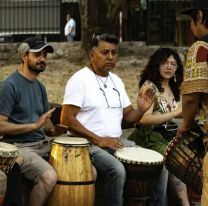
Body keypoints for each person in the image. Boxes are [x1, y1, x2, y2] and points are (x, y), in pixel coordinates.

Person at [60, 33, 155, 206]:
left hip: (114, 142)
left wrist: (141, 110)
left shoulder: (116, 81)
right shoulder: (79, 80)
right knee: (116, 169)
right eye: (105, 52)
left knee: (156, 164)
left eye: (114, 52)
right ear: (92, 54)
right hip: (86, 144)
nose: (110, 57)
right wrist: (98, 140)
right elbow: (66, 118)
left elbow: (128, 116)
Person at [0, 37, 67, 206]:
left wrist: (55, 130)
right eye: (37, 54)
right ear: (24, 56)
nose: (43, 59)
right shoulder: (9, 86)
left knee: (88, 171)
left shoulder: (40, 87)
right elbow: (1, 126)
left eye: (45, 54)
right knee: (49, 177)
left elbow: (46, 126)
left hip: (43, 143)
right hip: (20, 147)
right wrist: (34, 125)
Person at [128, 47, 190, 205]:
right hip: (149, 137)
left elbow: (180, 111)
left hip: (170, 137)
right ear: (156, 65)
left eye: (173, 64)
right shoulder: (150, 87)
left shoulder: (175, 87)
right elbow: (143, 119)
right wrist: (175, 114)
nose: (169, 67)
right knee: (174, 160)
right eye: (164, 63)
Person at [179, 0, 208, 205]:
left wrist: (185, 124)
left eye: (191, 20)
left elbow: (191, 96)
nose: (190, 26)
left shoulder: (200, 48)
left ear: (199, 16)